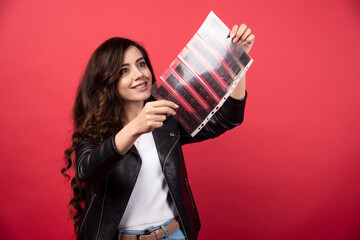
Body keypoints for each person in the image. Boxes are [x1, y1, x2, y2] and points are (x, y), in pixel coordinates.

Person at [62, 24, 255, 240]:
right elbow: (87, 170)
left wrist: (238, 61)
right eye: (124, 71)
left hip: (174, 234)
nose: (139, 74)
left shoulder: (167, 119)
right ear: (106, 81)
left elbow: (227, 119)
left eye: (141, 64)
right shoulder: (94, 132)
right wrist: (135, 127)